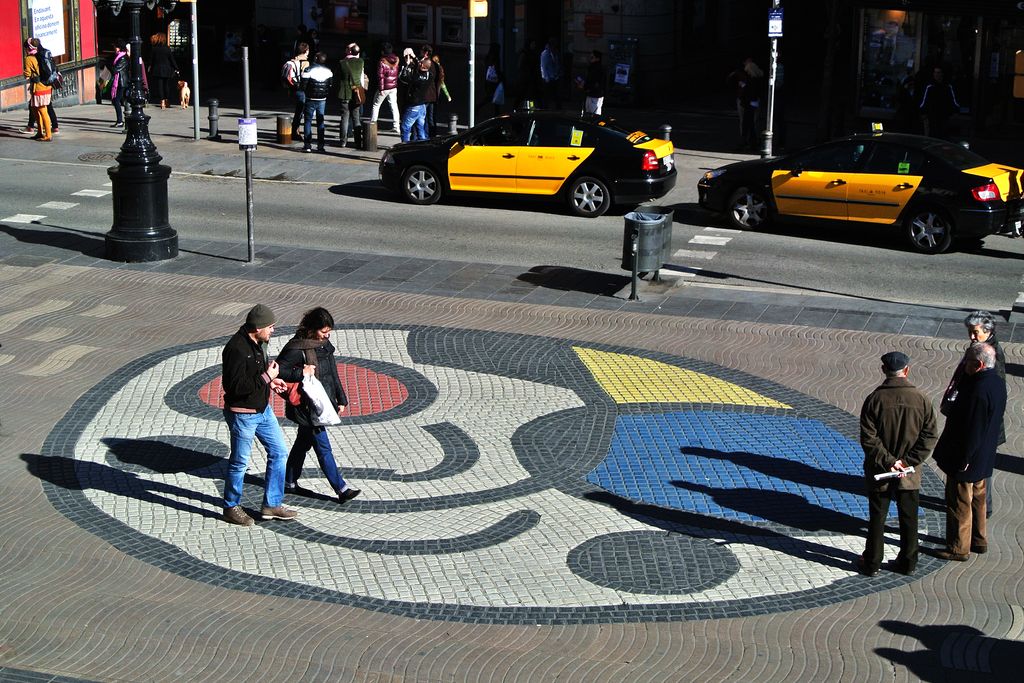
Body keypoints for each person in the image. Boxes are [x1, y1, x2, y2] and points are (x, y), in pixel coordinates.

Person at [857, 352, 938, 577]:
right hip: (909, 473)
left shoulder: (874, 399)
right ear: (907, 370)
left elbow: (869, 439)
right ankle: (908, 562)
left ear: (884, 370)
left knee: (877, 518)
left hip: (879, 470)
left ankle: (872, 562)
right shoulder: (921, 399)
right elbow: (929, 435)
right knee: (909, 518)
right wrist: (907, 462)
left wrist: (889, 462)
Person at [220, 304, 298, 526]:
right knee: (239, 462)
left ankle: (271, 504)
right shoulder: (236, 349)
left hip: (263, 410)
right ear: (258, 327)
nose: (273, 331)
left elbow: (258, 374)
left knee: (279, 452)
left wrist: (272, 382)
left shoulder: (260, 343)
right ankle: (230, 506)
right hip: (243, 415)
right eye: (271, 327)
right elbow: (234, 387)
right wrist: (267, 377)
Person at [276, 307, 361, 505]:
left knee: (302, 443)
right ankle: (341, 489)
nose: (327, 335)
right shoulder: (297, 347)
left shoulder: (324, 345)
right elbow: (279, 370)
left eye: (328, 331)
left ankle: (289, 482)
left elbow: (332, 373)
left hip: (323, 401)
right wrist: (302, 372)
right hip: (308, 405)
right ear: (313, 329)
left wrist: (341, 398)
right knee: (323, 447)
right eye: (323, 331)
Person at [932, 343, 1007, 561]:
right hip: (984, 456)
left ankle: (958, 547)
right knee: (979, 498)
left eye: (968, 362)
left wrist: (964, 459)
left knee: (959, 502)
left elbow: (972, 429)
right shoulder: (996, 382)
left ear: (979, 365)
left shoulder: (978, 391)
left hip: (967, 457)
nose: (964, 365)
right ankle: (979, 539)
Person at [941, 310, 1006, 517]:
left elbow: (991, 394)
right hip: (978, 418)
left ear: (988, 331)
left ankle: (983, 510)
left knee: (981, 470)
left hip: (983, 423)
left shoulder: (991, 354)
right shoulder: (979, 347)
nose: (971, 336)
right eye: (969, 331)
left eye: (975, 332)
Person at [22, 38, 59, 137]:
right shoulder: (41, 54)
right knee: (35, 109)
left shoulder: (29, 58)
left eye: (25, 48)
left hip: (39, 87)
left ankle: (47, 135)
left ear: (28, 48)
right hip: (47, 86)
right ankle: (39, 132)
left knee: (42, 110)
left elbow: (27, 74)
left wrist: (25, 71)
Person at [299, 51, 333, 153]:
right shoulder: (328, 71)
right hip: (322, 99)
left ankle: (307, 145)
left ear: (315, 59)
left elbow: (303, 86)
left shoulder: (308, 70)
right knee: (320, 122)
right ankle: (320, 146)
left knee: (308, 121)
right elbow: (330, 85)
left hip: (310, 98)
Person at [337, 42, 366, 148]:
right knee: (356, 118)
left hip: (345, 92)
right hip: (357, 92)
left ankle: (343, 141)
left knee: (344, 117)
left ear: (349, 51)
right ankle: (358, 142)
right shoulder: (361, 62)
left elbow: (338, 77)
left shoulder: (342, 62)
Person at [919, 66, 960, 139]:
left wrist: (955, 110)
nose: (936, 74)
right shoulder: (930, 86)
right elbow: (924, 101)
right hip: (932, 116)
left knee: (942, 135)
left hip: (943, 115)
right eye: (935, 72)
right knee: (932, 135)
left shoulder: (947, 86)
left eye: (938, 72)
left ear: (942, 74)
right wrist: (923, 112)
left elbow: (953, 100)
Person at [399, 55, 434, 142]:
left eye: (420, 62)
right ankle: (423, 147)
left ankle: (404, 148)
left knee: (405, 128)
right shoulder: (430, 75)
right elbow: (420, 69)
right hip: (422, 106)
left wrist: (407, 66)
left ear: (422, 66)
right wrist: (415, 58)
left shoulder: (416, 77)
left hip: (413, 106)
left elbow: (403, 78)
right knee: (420, 129)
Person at [370, 42, 401, 133]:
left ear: (383, 51)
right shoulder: (396, 59)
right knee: (394, 106)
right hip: (393, 87)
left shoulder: (382, 61)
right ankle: (396, 126)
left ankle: (372, 125)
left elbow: (381, 76)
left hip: (385, 87)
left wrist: (381, 89)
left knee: (376, 105)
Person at [283, 42, 310, 142]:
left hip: (293, 88)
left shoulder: (293, 60)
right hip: (301, 89)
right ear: (306, 51)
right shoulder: (305, 62)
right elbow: (305, 77)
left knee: (298, 111)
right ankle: (295, 131)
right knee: (300, 112)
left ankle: (295, 130)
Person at [147, 33, 178, 109]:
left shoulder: (154, 48)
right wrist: (176, 68)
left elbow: (151, 60)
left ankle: (162, 102)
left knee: (160, 85)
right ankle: (167, 100)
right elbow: (171, 59)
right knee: (166, 85)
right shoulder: (167, 48)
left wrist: (150, 66)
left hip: (157, 69)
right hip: (167, 69)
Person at [418, 44, 443, 136]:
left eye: (422, 51)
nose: (420, 52)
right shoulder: (436, 65)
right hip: (433, 95)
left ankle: (423, 136)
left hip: (425, 95)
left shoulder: (424, 64)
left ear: (426, 53)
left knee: (422, 118)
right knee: (431, 118)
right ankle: (432, 135)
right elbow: (440, 80)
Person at [109, 39, 129, 128]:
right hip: (119, 81)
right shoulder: (119, 56)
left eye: (116, 47)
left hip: (121, 82)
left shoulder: (123, 58)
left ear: (119, 48)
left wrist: (109, 65)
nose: (114, 48)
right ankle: (120, 120)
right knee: (117, 100)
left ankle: (120, 121)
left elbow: (115, 69)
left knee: (116, 100)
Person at [480, 44, 503, 118]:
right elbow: (497, 69)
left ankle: (497, 112)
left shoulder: (488, 57)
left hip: (489, 80)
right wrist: (500, 77)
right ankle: (478, 107)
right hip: (494, 80)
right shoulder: (495, 58)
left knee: (492, 96)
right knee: (493, 96)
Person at [539, 37, 562, 110]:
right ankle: (545, 108)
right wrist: (546, 78)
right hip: (549, 78)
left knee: (557, 95)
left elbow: (557, 63)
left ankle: (557, 108)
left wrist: (558, 74)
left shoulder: (555, 52)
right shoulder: (545, 53)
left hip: (555, 77)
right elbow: (543, 66)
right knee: (547, 96)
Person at [581, 50, 605, 115]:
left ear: (597, 59)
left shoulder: (598, 68)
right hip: (591, 94)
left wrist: (586, 87)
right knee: (589, 113)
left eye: (592, 57)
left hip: (595, 95)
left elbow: (596, 82)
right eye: (590, 57)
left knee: (594, 114)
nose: (590, 59)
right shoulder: (592, 67)